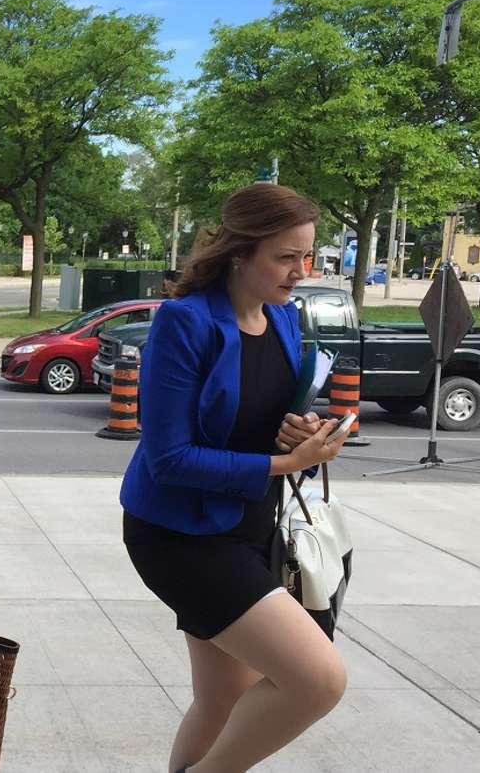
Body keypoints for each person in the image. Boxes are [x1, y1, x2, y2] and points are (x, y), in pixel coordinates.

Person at [119, 184, 348, 773]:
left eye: (308, 256)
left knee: (223, 699)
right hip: (180, 535)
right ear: (240, 252)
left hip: (250, 525)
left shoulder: (282, 319)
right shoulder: (184, 322)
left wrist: (302, 435)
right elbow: (169, 456)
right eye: (286, 257)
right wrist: (281, 465)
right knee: (318, 679)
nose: (302, 271)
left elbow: (263, 416)